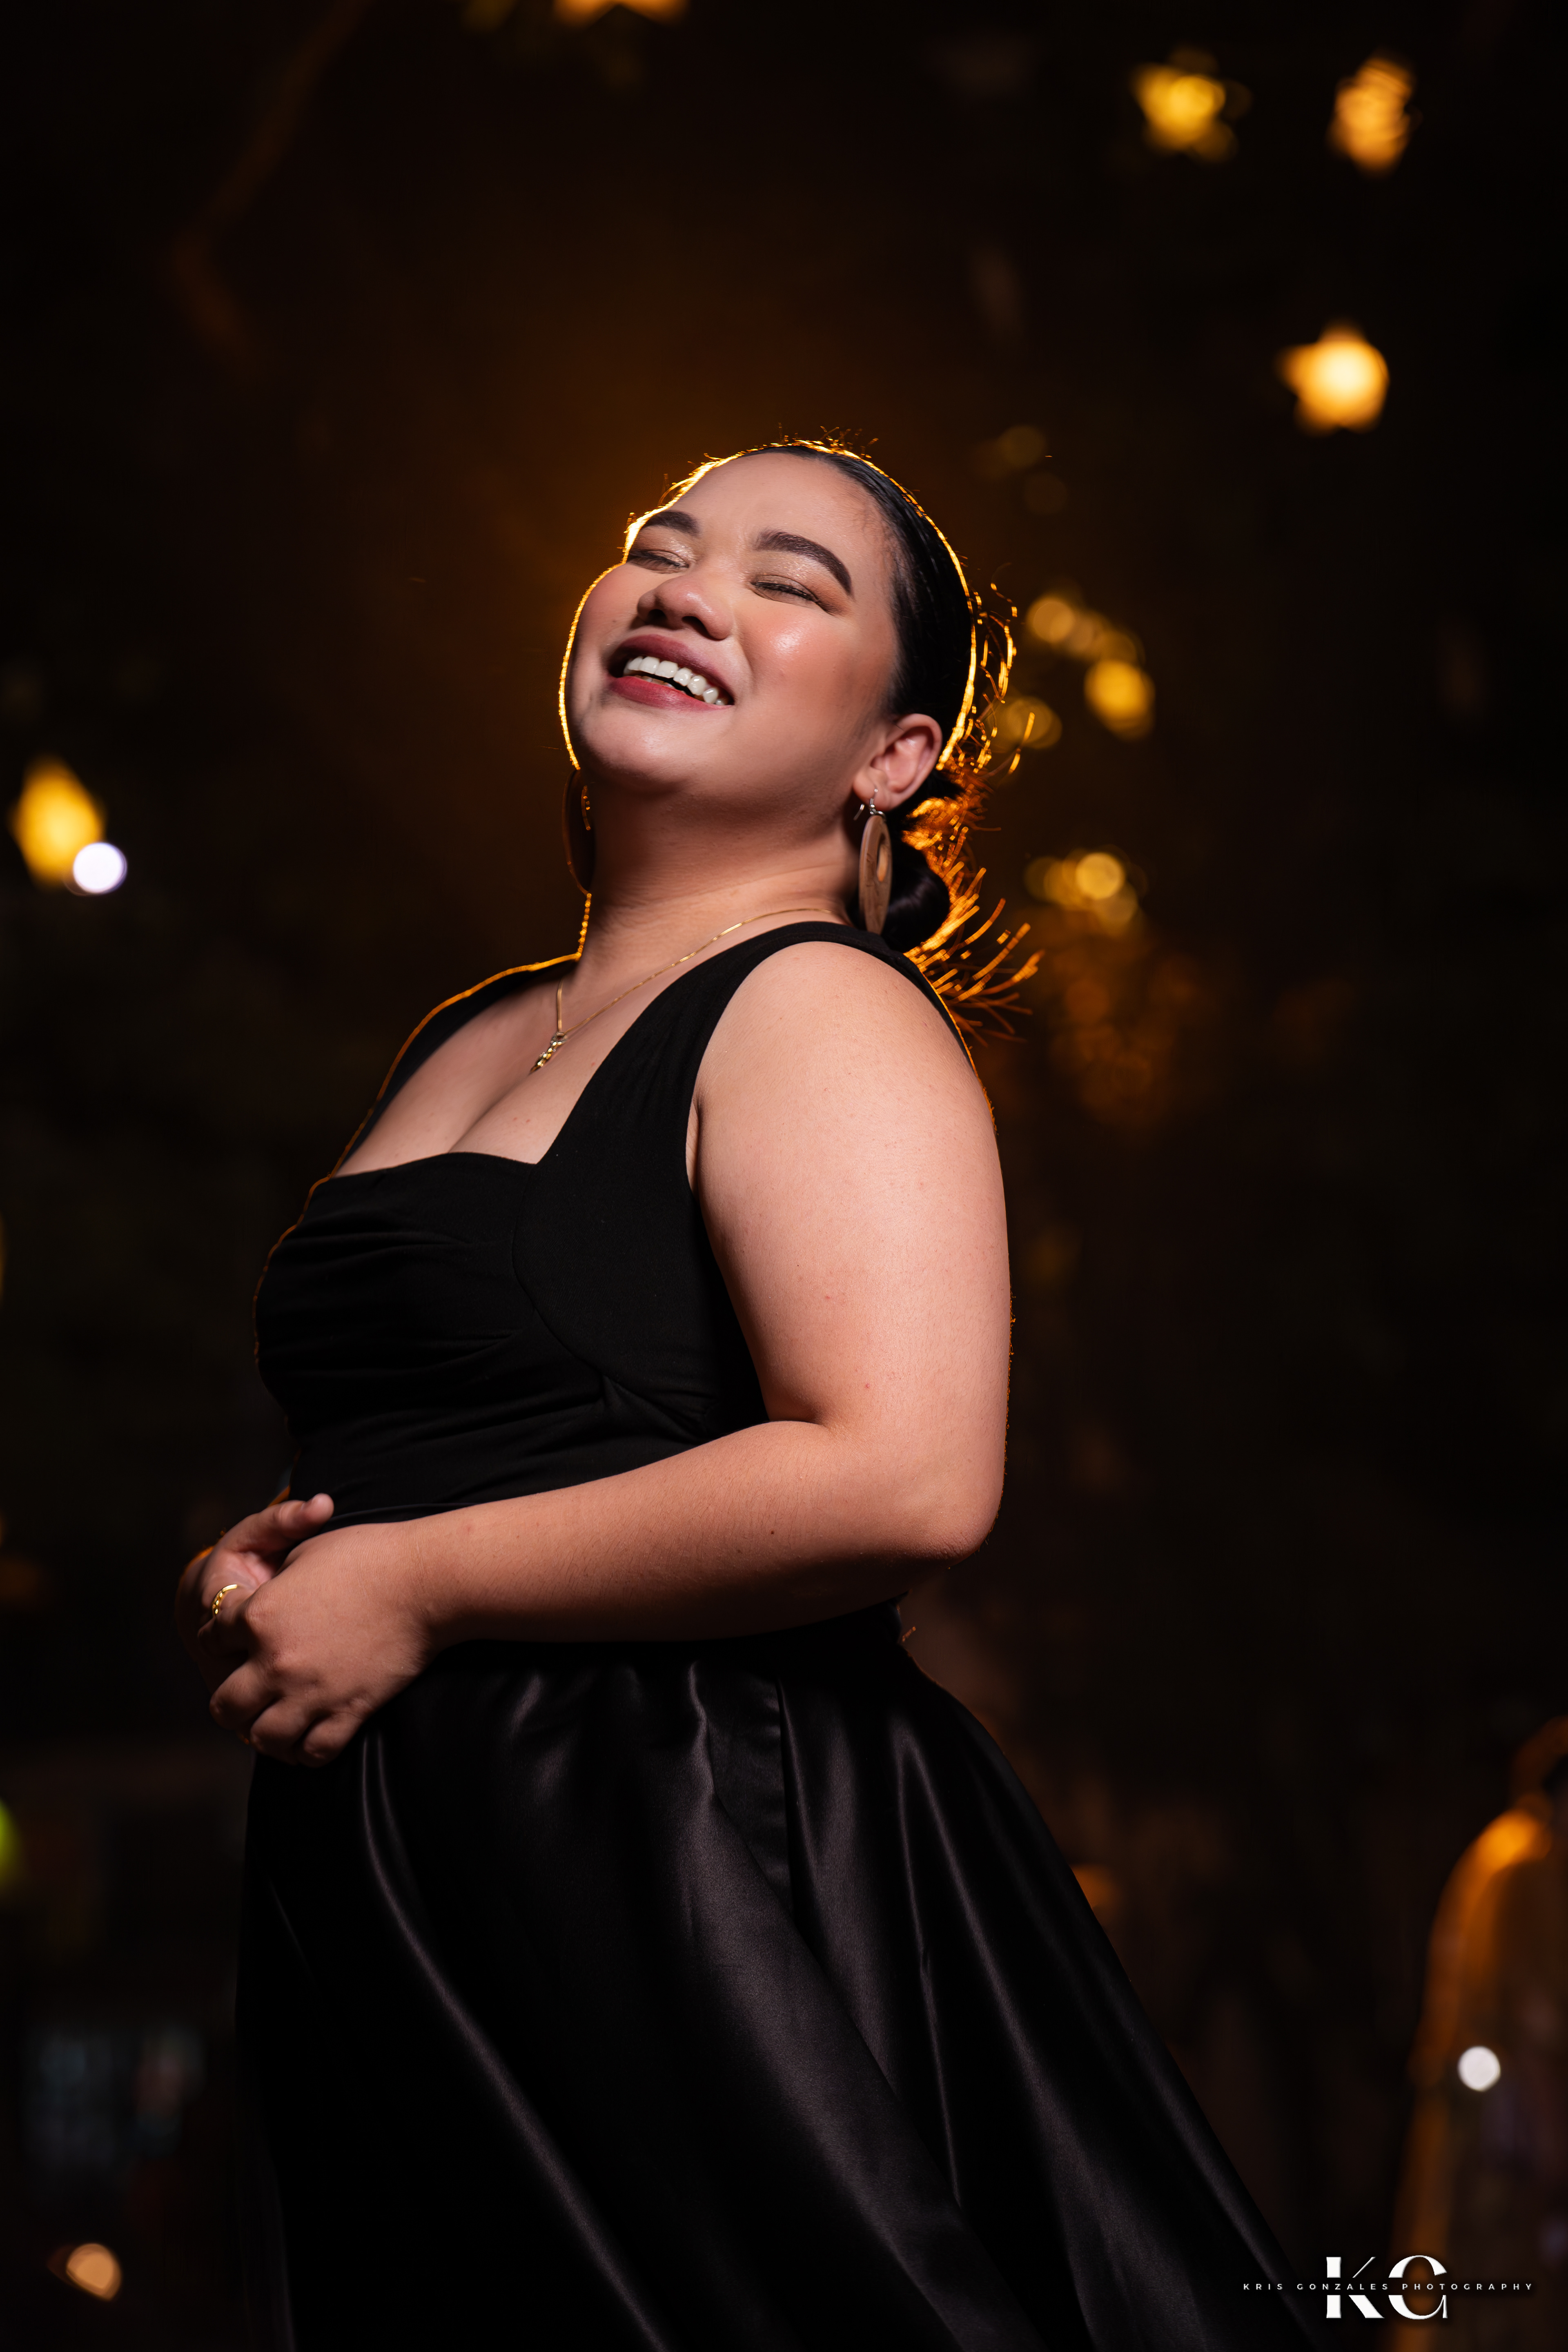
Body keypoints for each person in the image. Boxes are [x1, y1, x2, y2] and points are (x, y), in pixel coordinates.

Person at [177, 442, 1321, 2348]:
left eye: (790, 581)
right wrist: (279, 1567)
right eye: (661, 546)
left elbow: (906, 1475)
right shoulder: (472, 1029)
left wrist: (419, 1581)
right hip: (413, 1878)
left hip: (685, 1859)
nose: (689, 588)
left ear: (896, 753)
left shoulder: (819, 1008)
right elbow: (451, 1434)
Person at [1394, 1719, 1568, 2345]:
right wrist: (1557, 2170)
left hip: (1486, 2133)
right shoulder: (1525, 1865)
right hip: (1502, 2147)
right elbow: (1530, 2026)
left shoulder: (1510, 1853)